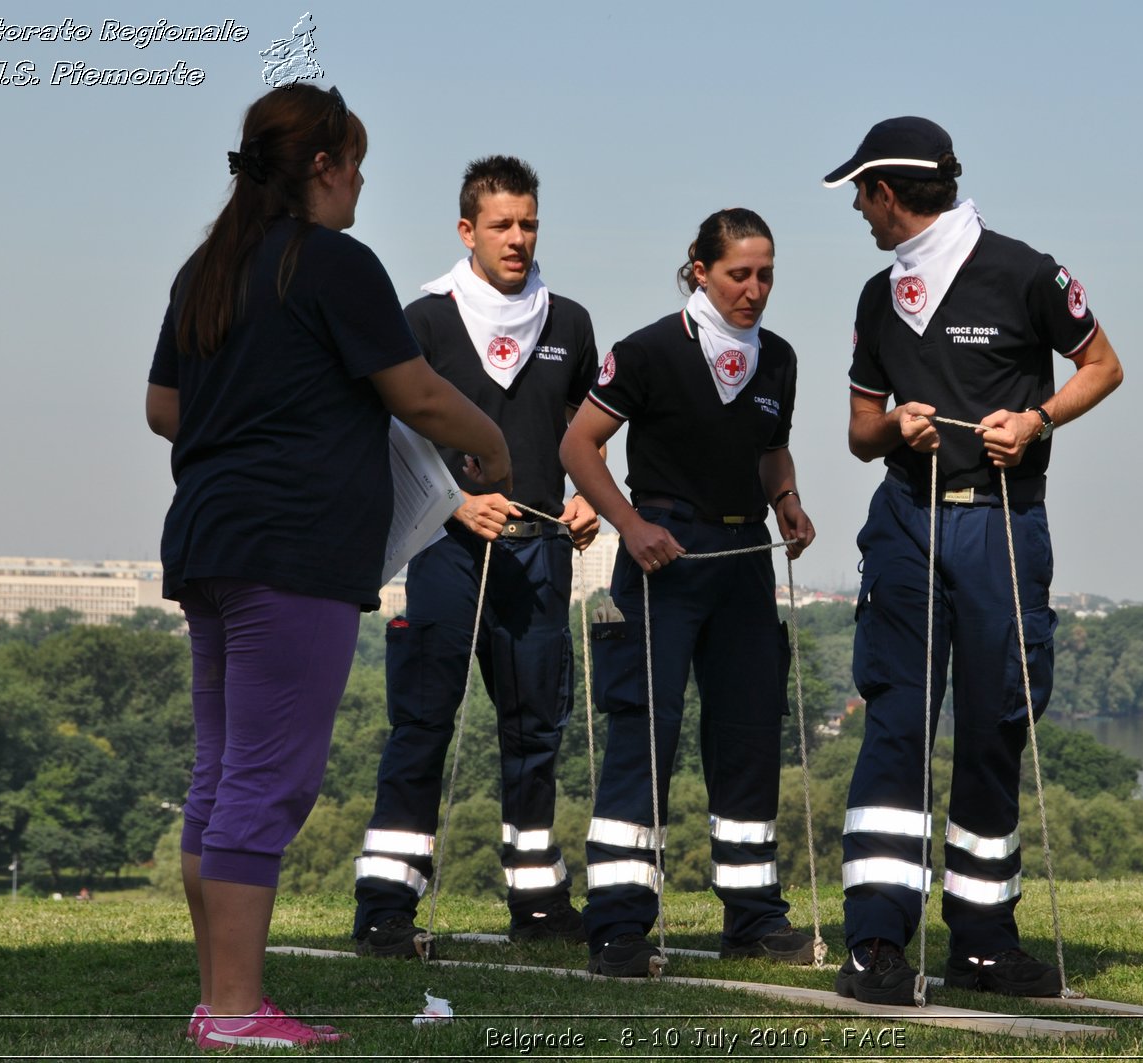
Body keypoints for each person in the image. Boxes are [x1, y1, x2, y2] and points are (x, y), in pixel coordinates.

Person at [145, 83, 509, 1049]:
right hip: (292, 549)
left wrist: (253, 417)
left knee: (222, 774)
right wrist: (494, 445)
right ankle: (233, 1010)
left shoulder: (208, 268)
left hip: (208, 538)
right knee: (268, 782)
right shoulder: (332, 263)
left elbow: (163, 409)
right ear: (321, 166)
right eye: (353, 163)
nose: (359, 182)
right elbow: (419, 394)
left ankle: (219, 996)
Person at [821, 117, 1124, 1004]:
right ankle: (875, 943)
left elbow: (1103, 365)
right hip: (907, 523)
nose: (859, 212)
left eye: (861, 195)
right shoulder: (878, 298)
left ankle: (983, 942)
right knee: (896, 729)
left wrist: (1038, 420)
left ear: (887, 191)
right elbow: (857, 432)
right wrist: (894, 426)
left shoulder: (1027, 271)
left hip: (999, 524)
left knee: (994, 726)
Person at [349, 156, 600, 958]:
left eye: (529, 222)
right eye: (502, 224)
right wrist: (457, 502)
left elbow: (582, 433)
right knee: (422, 724)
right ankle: (386, 904)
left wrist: (591, 492)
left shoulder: (570, 322)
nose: (518, 238)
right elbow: (389, 433)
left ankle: (537, 900)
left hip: (540, 557)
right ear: (467, 230)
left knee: (535, 731)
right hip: (445, 553)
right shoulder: (422, 320)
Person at [559, 208, 818, 977]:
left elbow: (772, 450)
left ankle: (753, 915)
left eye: (766, 273)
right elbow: (578, 443)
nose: (755, 288)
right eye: (739, 273)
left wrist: (789, 501)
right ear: (699, 269)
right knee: (646, 736)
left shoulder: (779, 359)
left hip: (743, 562)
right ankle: (618, 925)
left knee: (747, 738)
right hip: (661, 555)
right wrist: (629, 524)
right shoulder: (645, 350)